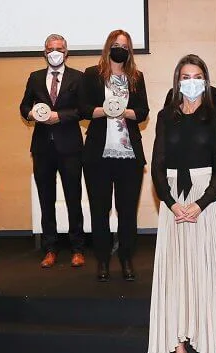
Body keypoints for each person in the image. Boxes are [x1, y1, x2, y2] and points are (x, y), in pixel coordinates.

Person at [149, 54, 216, 353]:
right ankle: (180, 352)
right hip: (172, 205)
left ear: (206, 79)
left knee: (204, 277)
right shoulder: (164, 116)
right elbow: (157, 166)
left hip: (205, 202)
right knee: (176, 279)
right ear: (177, 81)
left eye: (197, 76)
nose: (191, 81)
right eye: (185, 76)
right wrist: (171, 203)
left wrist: (200, 203)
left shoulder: (215, 115)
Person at [79, 29, 148, 282]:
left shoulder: (136, 77)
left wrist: (125, 112)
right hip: (98, 156)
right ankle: (103, 261)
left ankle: (127, 260)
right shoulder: (91, 75)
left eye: (125, 46)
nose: (121, 49)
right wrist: (105, 110)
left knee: (127, 211)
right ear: (108, 46)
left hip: (129, 156)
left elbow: (143, 112)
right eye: (117, 44)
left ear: (129, 51)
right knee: (100, 211)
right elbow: (82, 109)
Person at [20, 34, 85, 269]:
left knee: (73, 198)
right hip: (42, 147)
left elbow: (83, 110)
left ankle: (77, 248)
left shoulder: (79, 77)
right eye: (50, 49)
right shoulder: (35, 78)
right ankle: (50, 249)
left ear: (67, 52)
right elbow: (24, 106)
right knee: (45, 200)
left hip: (70, 147)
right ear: (44, 52)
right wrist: (31, 114)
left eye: (59, 48)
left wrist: (60, 116)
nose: (54, 52)